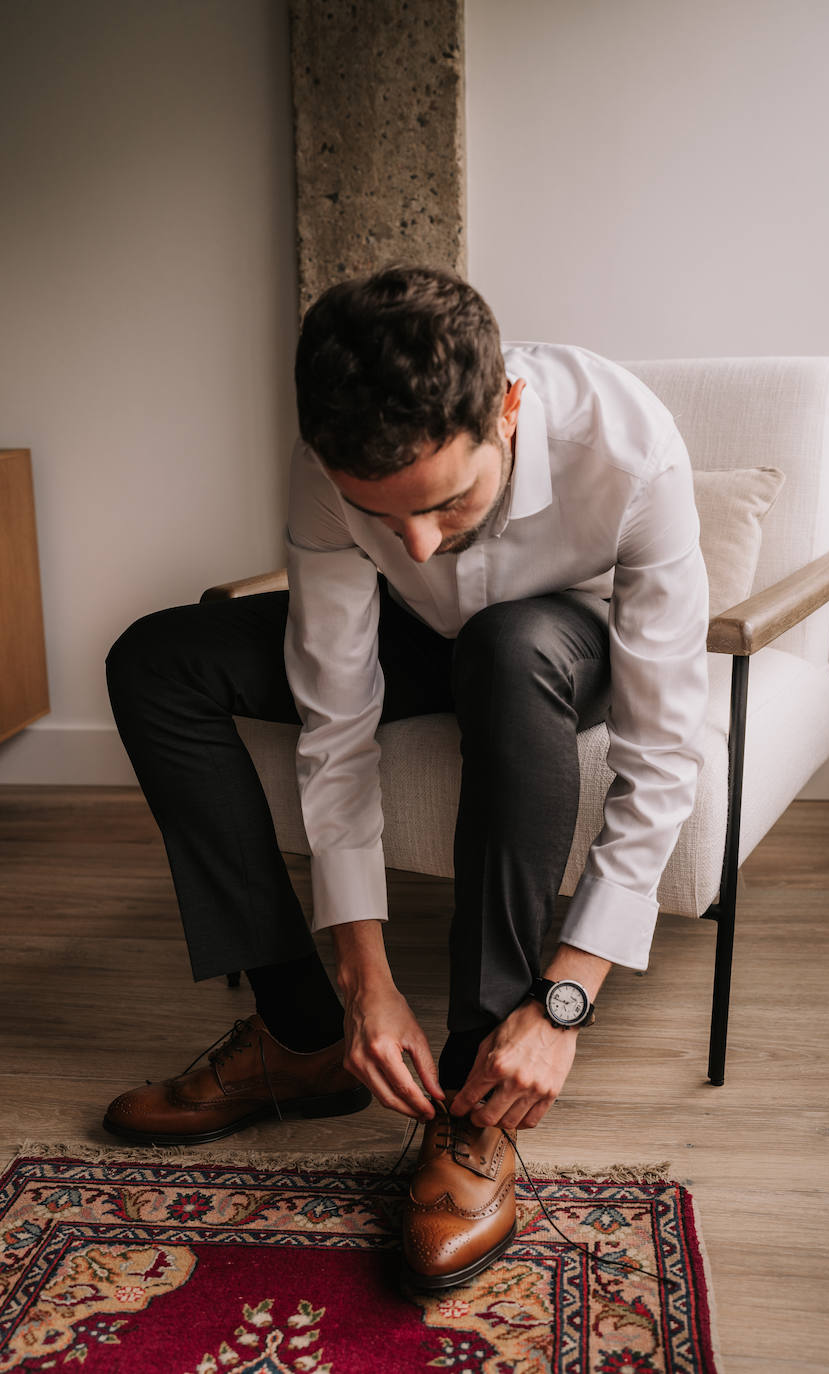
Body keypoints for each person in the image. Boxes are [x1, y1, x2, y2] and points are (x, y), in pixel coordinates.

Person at [103, 265, 709, 1289]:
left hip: (559, 647)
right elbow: (337, 720)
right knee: (157, 660)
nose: (417, 543)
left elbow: (659, 754)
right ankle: (298, 1036)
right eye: (379, 518)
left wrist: (566, 997)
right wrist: (365, 983)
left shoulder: (629, 448)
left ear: (507, 410)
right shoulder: (328, 463)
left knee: (507, 645)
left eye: (445, 502)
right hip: (415, 641)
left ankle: (478, 1098)